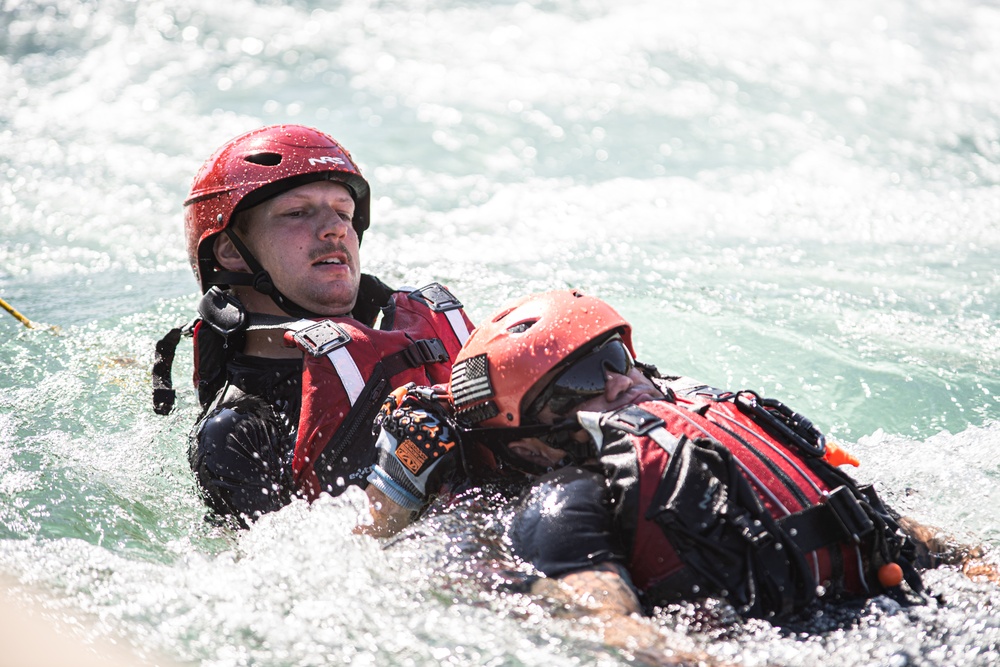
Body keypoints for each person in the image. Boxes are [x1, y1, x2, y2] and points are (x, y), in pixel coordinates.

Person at [361, 289, 997, 661]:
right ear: (527, 440)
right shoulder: (570, 500)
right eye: (581, 382)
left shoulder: (704, 439)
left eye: (614, 358)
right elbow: (609, 622)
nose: (620, 382)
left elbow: (912, 535)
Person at [151, 124, 474, 525]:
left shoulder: (417, 342)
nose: (336, 228)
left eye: (343, 212)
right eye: (297, 212)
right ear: (232, 251)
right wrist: (397, 490)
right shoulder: (237, 433)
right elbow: (282, 577)